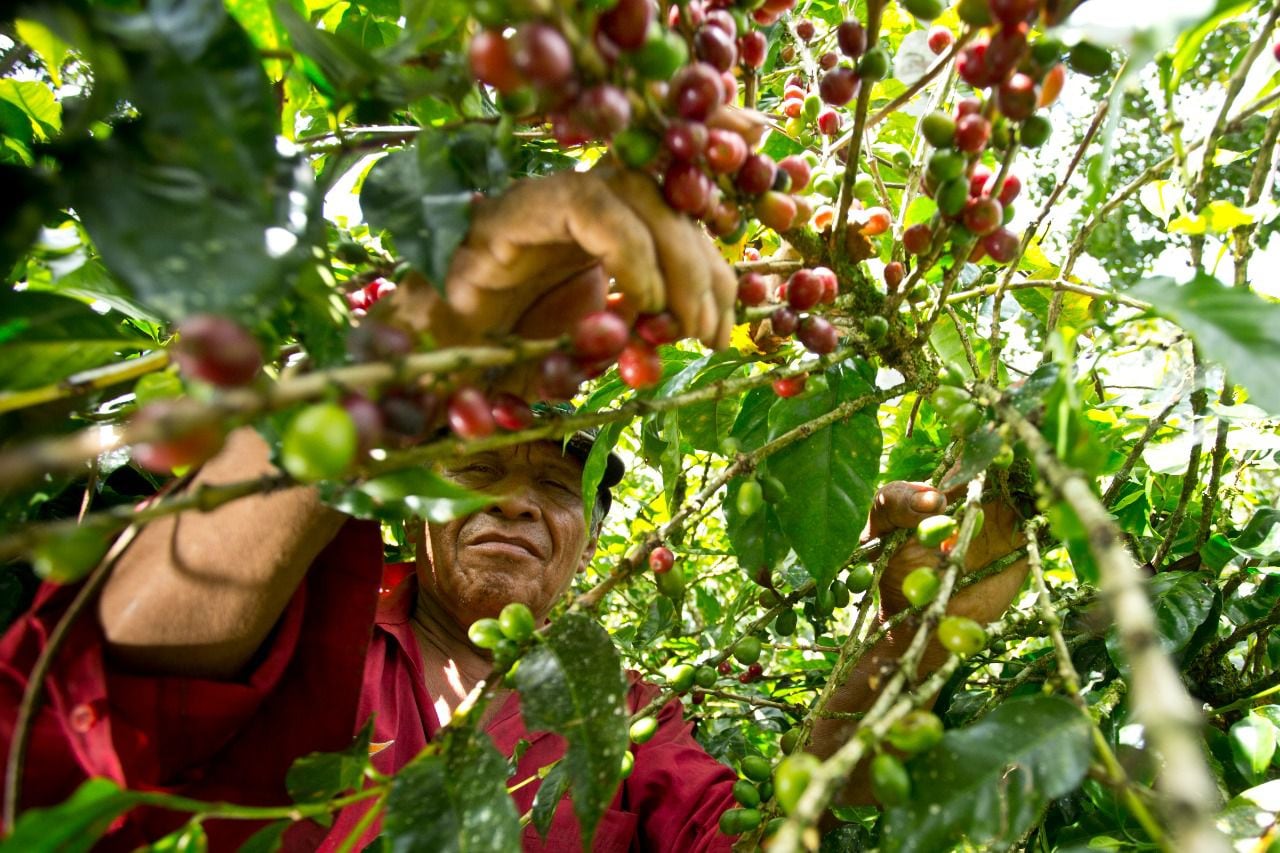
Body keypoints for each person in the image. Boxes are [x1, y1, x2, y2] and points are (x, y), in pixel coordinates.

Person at [0, 165, 1029, 851]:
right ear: (409, 500)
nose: (519, 507)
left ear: (592, 537)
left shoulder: (621, 716)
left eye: (557, 486)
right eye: (479, 472)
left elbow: (765, 839)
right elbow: (113, 688)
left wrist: (912, 635)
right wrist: (399, 358)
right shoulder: (316, 615)